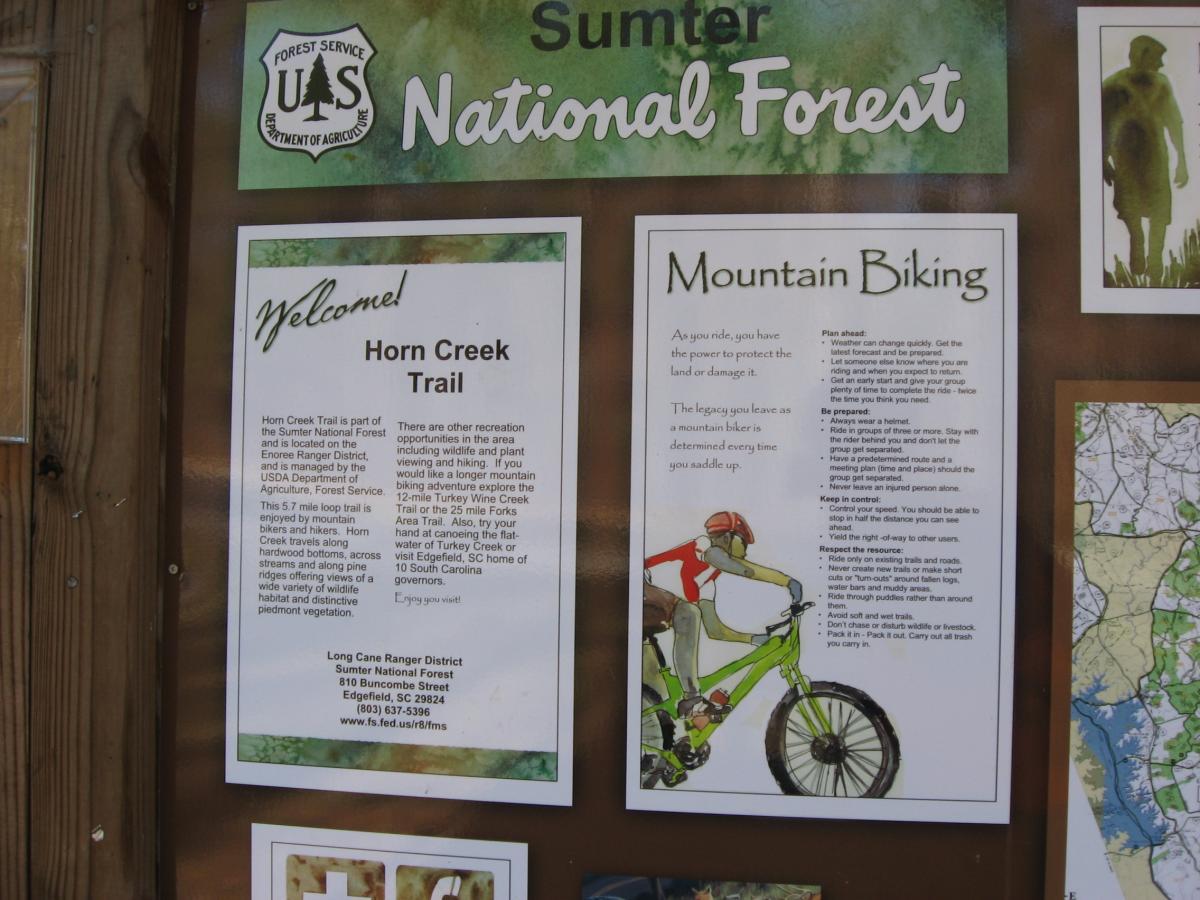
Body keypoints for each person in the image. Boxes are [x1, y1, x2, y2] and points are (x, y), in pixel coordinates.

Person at [643, 511, 803, 721]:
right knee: (688, 613)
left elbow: (715, 630)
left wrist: (752, 639)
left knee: (690, 614)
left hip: (652, 609)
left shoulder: (706, 582)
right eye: (743, 543)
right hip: (636, 589)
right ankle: (692, 700)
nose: (745, 552)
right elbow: (742, 569)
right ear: (727, 538)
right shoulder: (704, 547)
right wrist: (786, 581)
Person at [1102, 34, 1189, 285]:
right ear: (1142, 55)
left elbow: (1175, 122)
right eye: (1157, 58)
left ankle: (1155, 264)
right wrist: (1102, 160)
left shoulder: (1162, 84)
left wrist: (1182, 160)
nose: (1161, 65)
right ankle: (1137, 249)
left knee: (1160, 212)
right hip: (1126, 161)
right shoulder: (1113, 86)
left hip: (1156, 159)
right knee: (1131, 211)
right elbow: (1100, 125)